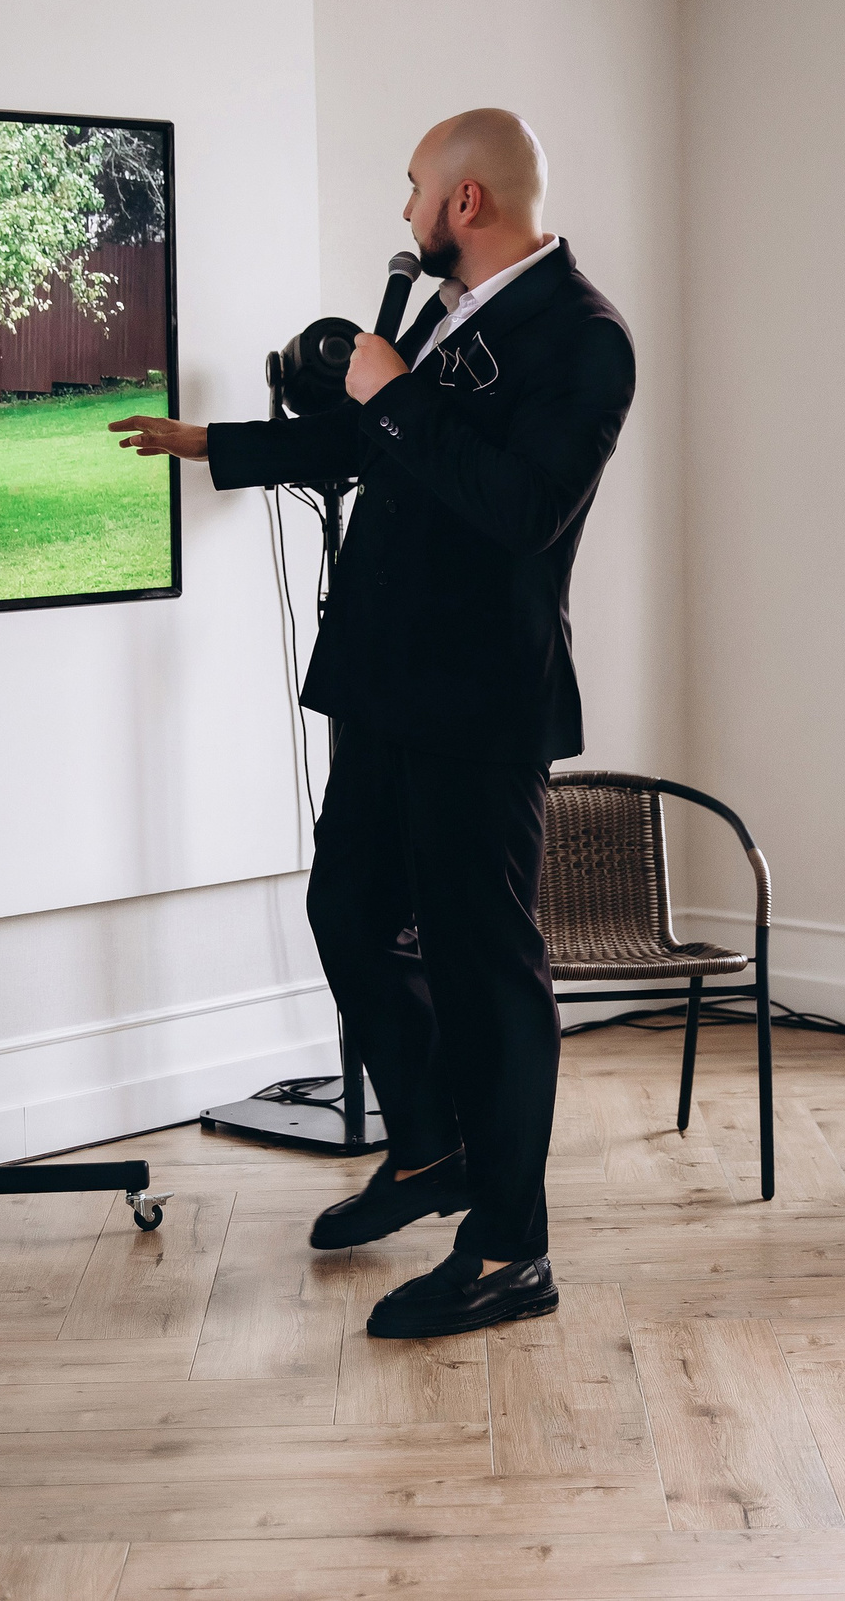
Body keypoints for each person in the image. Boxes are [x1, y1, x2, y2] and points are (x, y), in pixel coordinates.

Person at [109, 110, 634, 1341]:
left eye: (411, 191)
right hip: (391, 687)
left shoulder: (584, 338)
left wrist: (393, 394)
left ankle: (512, 1248)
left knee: (484, 968)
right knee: (346, 910)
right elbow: (367, 439)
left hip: (479, 702)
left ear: (465, 203)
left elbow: (515, 507)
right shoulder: (452, 316)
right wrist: (212, 445)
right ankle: (430, 1149)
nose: (399, 214)